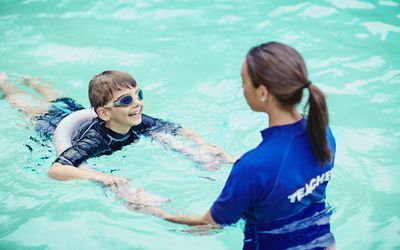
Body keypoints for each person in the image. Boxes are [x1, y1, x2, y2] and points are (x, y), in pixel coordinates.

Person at [149, 42, 337, 249]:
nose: (243, 88)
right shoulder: (322, 132)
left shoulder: (253, 167)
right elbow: (290, 180)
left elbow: (208, 226)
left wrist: (151, 209)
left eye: (244, 81)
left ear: (263, 92)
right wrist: (234, 161)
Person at [0, 71, 235, 204]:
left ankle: (31, 80)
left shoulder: (138, 119)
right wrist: (99, 176)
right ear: (104, 113)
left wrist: (202, 144)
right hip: (54, 127)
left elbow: (177, 129)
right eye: (126, 100)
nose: (138, 103)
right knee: (29, 108)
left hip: (76, 115)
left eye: (138, 95)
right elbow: (57, 170)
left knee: (60, 99)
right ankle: (7, 86)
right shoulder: (95, 139)